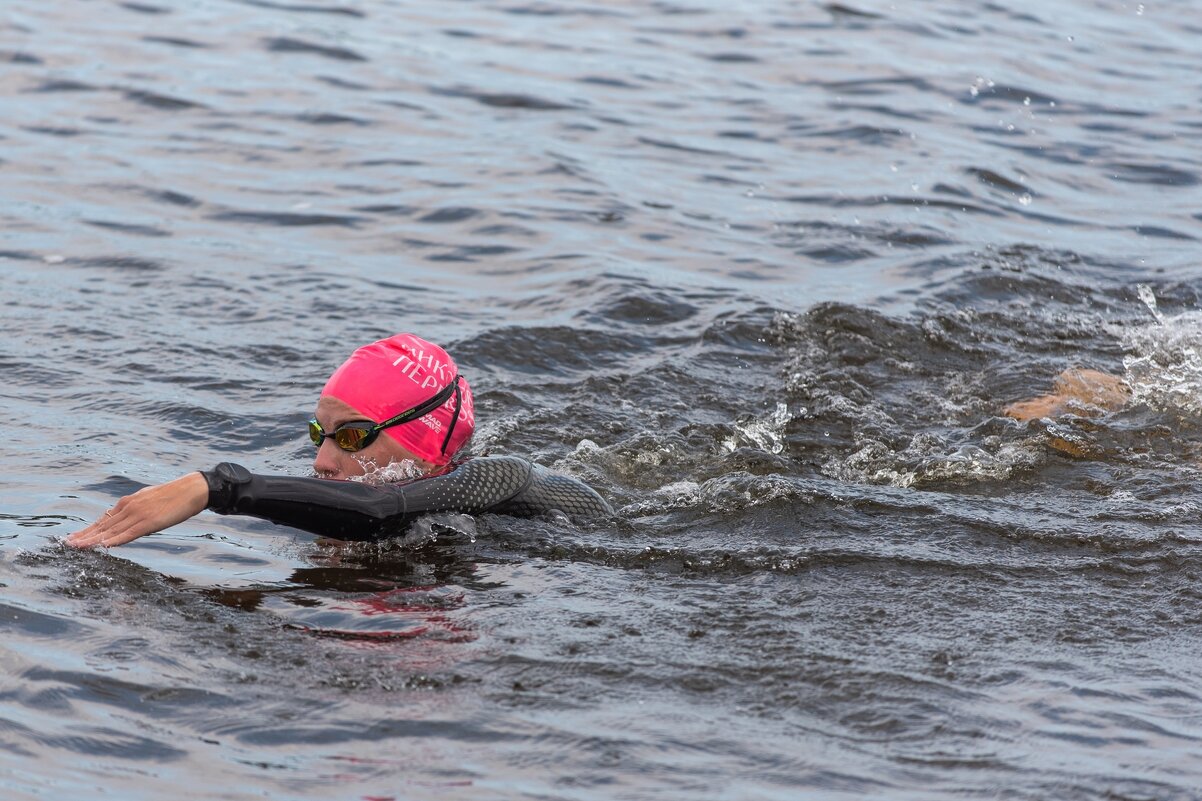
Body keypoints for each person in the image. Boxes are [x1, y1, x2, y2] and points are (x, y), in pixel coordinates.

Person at [67, 333, 611, 549]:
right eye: (319, 435)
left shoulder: (502, 477)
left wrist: (216, 488)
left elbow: (381, 510)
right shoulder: (373, 479)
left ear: (424, 443)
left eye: (351, 437)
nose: (323, 461)